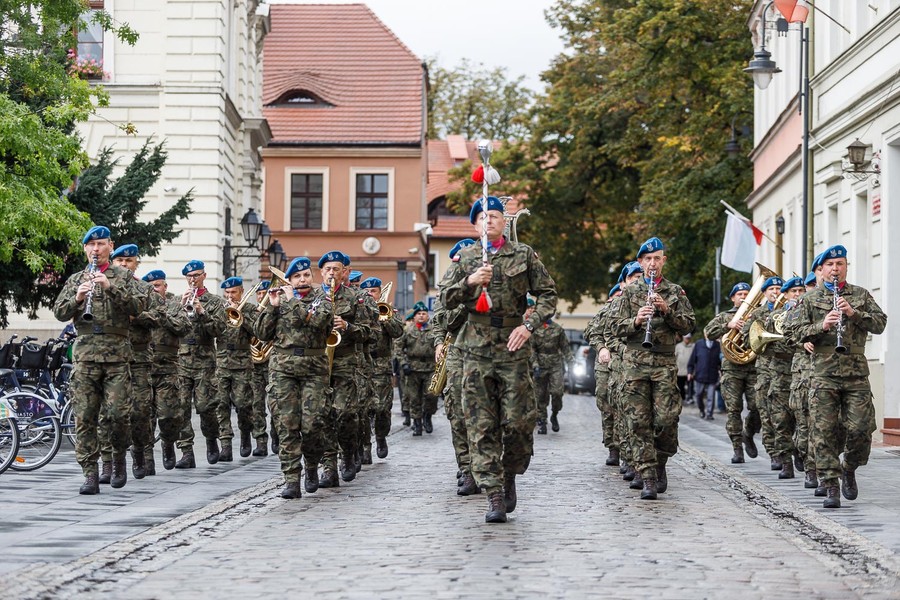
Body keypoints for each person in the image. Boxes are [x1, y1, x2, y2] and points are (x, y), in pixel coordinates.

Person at [440, 196, 558, 523]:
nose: (489, 220)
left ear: (504, 222)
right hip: (474, 348)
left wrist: (529, 325)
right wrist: (470, 282)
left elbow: (548, 295)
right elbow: (445, 298)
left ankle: (509, 474)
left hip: (512, 345)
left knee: (519, 421)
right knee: (480, 423)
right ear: (475, 225)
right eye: (483, 216)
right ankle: (492, 492)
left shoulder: (523, 255)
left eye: (494, 215)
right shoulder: (465, 258)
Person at [787, 245, 887, 508]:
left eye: (840, 264)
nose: (835, 269)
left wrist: (854, 313)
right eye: (830, 265)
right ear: (822, 269)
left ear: (846, 266)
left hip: (855, 374)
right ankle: (830, 484)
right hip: (822, 374)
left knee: (861, 428)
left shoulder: (859, 295)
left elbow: (880, 323)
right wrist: (823, 325)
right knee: (824, 431)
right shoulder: (809, 299)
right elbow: (791, 333)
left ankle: (850, 467)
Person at [53, 226, 147, 494]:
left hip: (117, 356)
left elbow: (140, 307)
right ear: (85, 248)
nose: (96, 249)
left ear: (110, 246)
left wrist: (112, 287)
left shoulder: (123, 276)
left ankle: (117, 458)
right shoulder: (77, 278)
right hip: (85, 356)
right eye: (91, 244)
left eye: (101, 244)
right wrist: (78, 297)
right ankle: (91, 473)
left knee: (118, 415)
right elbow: (59, 312)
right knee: (85, 417)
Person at [611, 237, 695, 500]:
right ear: (640, 262)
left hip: (664, 365)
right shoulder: (630, 292)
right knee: (638, 423)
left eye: (657, 258)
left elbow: (689, 325)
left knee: (667, 421)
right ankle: (647, 476)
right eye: (647, 259)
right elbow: (614, 327)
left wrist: (667, 310)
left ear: (663, 261)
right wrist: (636, 321)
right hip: (635, 365)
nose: (652, 263)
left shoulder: (675, 292)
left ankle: (660, 463)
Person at [254, 257, 334, 498]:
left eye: (306, 275)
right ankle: (291, 479)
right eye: (297, 277)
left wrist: (291, 301)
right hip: (283, 369)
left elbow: (318, 323)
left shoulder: (322, 299)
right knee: (286, 425)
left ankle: (311, 465)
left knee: (313, 425)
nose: (303, 280)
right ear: (289, 280)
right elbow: (260, 332)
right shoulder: (278, 301)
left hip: (314, 369)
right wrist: (273, 306)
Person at [318, 250, 371, 486]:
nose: (331, 273)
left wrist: (348, 326)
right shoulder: (314, 297)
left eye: (336, 269)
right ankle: (328, 466)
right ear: (321, 272)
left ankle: (348, 453)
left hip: (346, 363)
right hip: (317, 364)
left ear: (343, 273)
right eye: (327, 269)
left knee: (345, 413)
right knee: (322, 415)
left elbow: (370, 331)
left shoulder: (355, 297)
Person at [110, 244, 161, 479]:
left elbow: (159, 316)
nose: (123, 264)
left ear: (135, 263)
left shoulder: (144, 289)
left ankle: (140, 450)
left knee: (141, 411)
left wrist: (136, 316)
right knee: (113, 412)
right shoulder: (104, 286)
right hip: (112, 358)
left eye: (128, 261)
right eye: (119, 260)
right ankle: (112, 460)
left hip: (139, 358)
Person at [432, 238, 478, 494]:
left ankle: (488, 467)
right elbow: (443, 320)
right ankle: (468, 469)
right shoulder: (448, 290)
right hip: (458, 353)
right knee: (458, 414)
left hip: (489, 353)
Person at [704, 282, 760, 464]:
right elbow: (708, 332)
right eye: (740, 294)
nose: (743, 296)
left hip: (753, 367)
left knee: (757, 407)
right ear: (733, 298)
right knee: (734, 410)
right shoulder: (725, 316)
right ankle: (737, 449)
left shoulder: (757, 315)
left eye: (746, 293)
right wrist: (729, 325)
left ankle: (748, 433)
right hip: (731, 369)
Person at [140, 270, 191, 470]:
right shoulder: (140, 304)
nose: (155, 290)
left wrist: (162, 317)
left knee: (169, 415)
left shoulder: (174, 305)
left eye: (158, 286)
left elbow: (184, 327)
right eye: (151, 287)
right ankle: (146, 458)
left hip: (168, 367)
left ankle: (168, 442)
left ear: (165, 286)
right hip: (144, 367)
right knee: (144, 417)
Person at [176, 260, 225, 468]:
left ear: (204, 275)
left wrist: (202, 311)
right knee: (181, 408)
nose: (192, 279)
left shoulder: (214, 302)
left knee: (206, 407)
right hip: (182, 360)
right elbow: (171, 326)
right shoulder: (179, 300)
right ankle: (186, 451)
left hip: (205, 361)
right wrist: (181, 307)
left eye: (196, 275)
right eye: (189, 276)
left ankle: (212, 438)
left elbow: (219, 330)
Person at [360, 277, 404, 461]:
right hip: (361, 366)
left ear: (380, 293)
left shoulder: (388, 310)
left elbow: (398, 332)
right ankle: (365, 447)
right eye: (367, 291)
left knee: (381, 409)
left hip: (381, 366)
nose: (370, 294)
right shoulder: (359, 311)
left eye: (374, 291)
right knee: (362, 410)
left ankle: (381, 436)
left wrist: (385, 319)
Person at [215, 277, 256, 461]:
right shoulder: (220, 309)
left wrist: (242, 317)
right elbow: (213, 330)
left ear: (241, 291)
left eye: (234, 292)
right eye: (228, 293)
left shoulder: (250, 309)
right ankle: (225, 444)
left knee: (243, 404)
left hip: (242, 363)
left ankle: (246, 433)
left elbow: (257, 331)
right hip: (222, 361)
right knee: (221, 404)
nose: (230, 296)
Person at [528, 299, 572, 434]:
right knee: (539, 395)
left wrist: (571, 362)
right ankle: (542, 421)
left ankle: (554, 414)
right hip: (540, 365)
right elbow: (532, 349)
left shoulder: (558, 329)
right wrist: (535, 364)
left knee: (557, 392)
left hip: (555, 364)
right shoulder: (534, 329)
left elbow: (565, 348)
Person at [399, 301, 438, 436]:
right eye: (419, 314)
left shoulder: (434, 330)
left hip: (430, 368)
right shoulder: (408, 331)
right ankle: (417, 424)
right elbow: (398, 348)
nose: (421, 316)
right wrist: (404, 363)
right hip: (413, 368)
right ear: (414, 317)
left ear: (428, 316)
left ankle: (427, 415)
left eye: (424, 313)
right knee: (414, 398)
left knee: (432, 395)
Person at [249, 280, 273, 456]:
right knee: (257, 404)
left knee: (275, 404)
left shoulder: (277, 310)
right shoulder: (250, 312)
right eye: (259, 293)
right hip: (255, 364)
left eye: (265, 293)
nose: (261, 296)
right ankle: (260, 440)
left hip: (273, 363)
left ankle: (277, 434)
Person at [687, 333, 721, 420]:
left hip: (712, 375)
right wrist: (690, 372)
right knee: (699, 395)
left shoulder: (717, 345)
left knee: (711, 396)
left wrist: (721, 371)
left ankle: (709, 414)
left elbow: (720, 361)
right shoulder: (699, 344)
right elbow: (692, 359)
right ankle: (702, 410)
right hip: (700, 375)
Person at [674, 333, 694, 404]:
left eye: (688, 338)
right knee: (680, 386)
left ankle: (690, 398)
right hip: (680, 371)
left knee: (690, 386)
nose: (687, 339)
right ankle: (682, 398)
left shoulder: (693, 346)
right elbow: (675, 357)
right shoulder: (678, 346)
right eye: (686, 338)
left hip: (689, 371)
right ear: (683, 338)